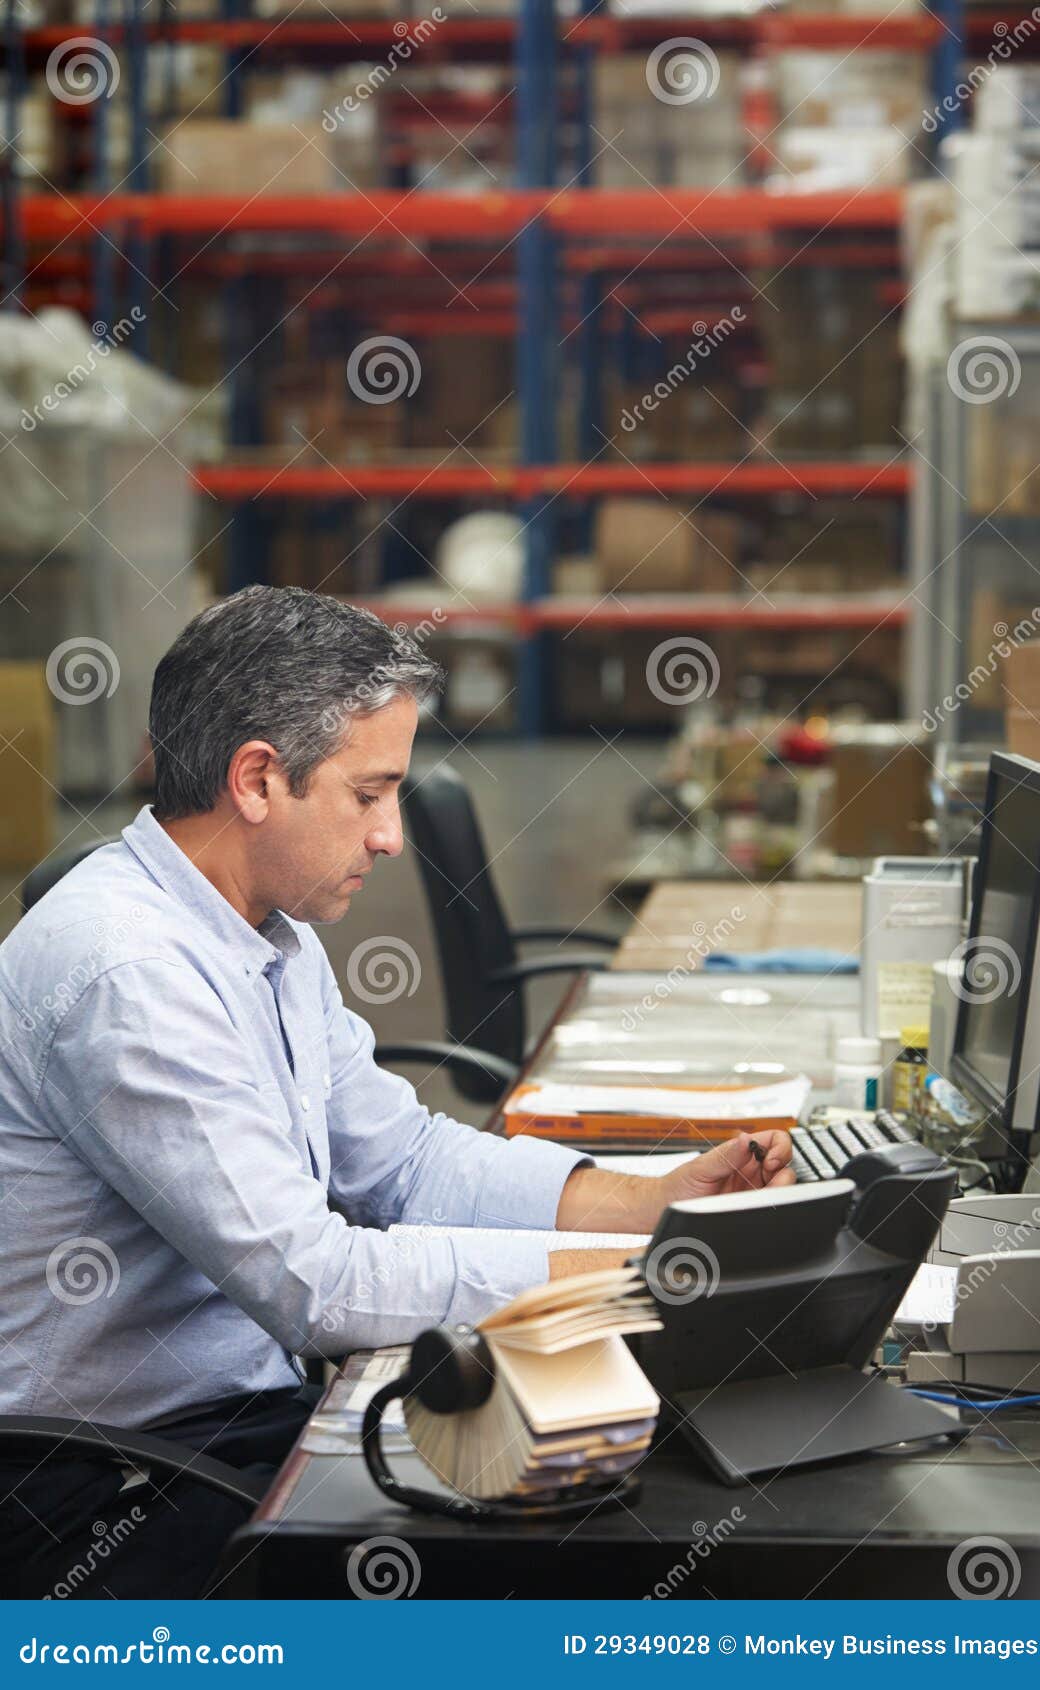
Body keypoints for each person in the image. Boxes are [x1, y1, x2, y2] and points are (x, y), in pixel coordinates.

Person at [0, 586, 792, 1597]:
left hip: (237, 1426)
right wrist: (641, 1271)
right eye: (368, 794)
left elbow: (405, 1163)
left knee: (628, 1478)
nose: (388, 836)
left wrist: (656, 1201)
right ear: (256, 780)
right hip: (104, 1495)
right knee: (587, 1561)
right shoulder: (124, 972)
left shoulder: (269, 936)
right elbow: (315, 1282)